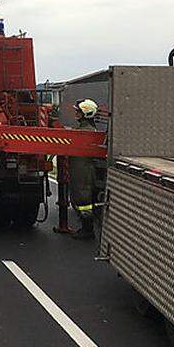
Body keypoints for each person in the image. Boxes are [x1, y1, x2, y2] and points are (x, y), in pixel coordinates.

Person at [69, 98, 100, 240]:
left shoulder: (87, 132)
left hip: (83, 171)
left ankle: (88, 229)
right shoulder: (84, 130)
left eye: (78, 111)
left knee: (84, 200)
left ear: (85, 113)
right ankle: (86, 227)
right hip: (80, 169)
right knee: (81, 198)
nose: (76, 113)